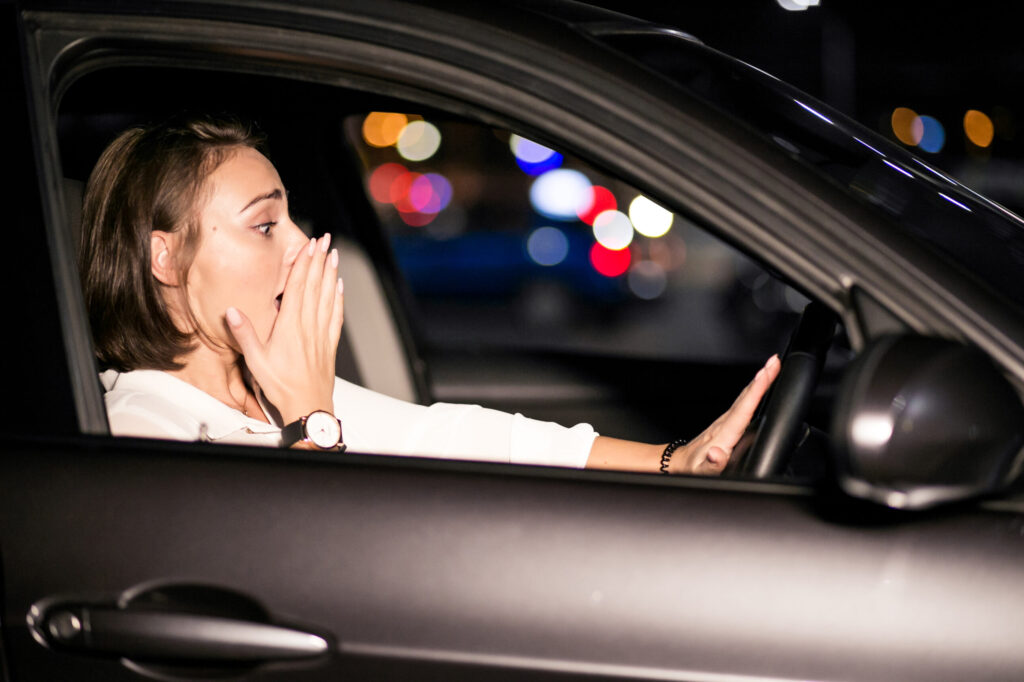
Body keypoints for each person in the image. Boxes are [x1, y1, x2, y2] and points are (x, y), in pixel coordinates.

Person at [79, 115, 780, 475]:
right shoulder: (136, 440)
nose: (300, 246)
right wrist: (310, 421)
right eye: (265, 225)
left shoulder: (264, 390)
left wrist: (672, 460)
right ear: (164, 257)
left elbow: (456, 436)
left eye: (292, 217)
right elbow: (321, 578)